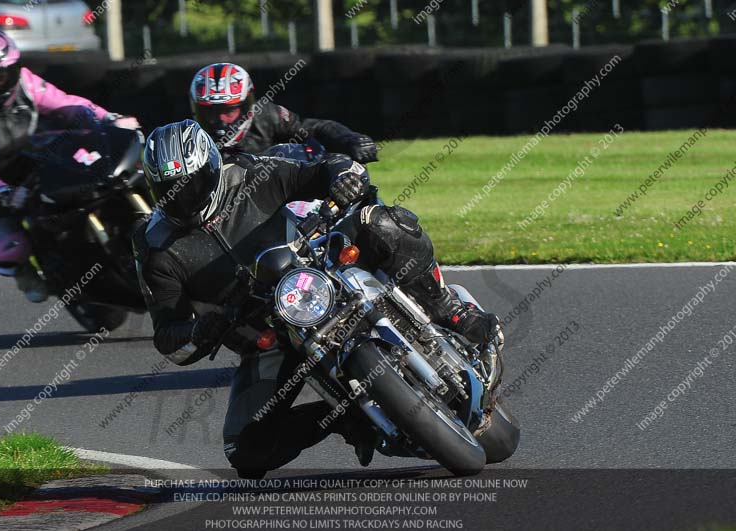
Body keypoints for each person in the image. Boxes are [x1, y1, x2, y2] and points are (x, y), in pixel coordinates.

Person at [133, 120, 501, 477]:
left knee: (383, 222)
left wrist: (342, 180)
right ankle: (345, 416)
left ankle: (450, 310)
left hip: (316, 266)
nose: (180, 197)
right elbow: (168, 335)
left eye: (189, 184)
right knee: (246, 451)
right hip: (266, 333)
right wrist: (198, 332)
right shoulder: (155, 247)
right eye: (168, 188)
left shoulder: (248, 175)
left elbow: (321, 169)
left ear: (211, 168)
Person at [0, 30, 139, 303]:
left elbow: (70, 106)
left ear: (15, 70)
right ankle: (25, 272)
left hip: (29, 159)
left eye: (1, 75)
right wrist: (4, 193)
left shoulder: (27, 83)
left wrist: (107, 118)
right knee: (10, 249)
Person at [189, 62, 378, 162]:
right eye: (211, 112)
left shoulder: (267, 116)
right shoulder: (188, 140)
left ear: (247, 106)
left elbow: (314, 128)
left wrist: (349, 139)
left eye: (228, 111)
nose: (220, 121)